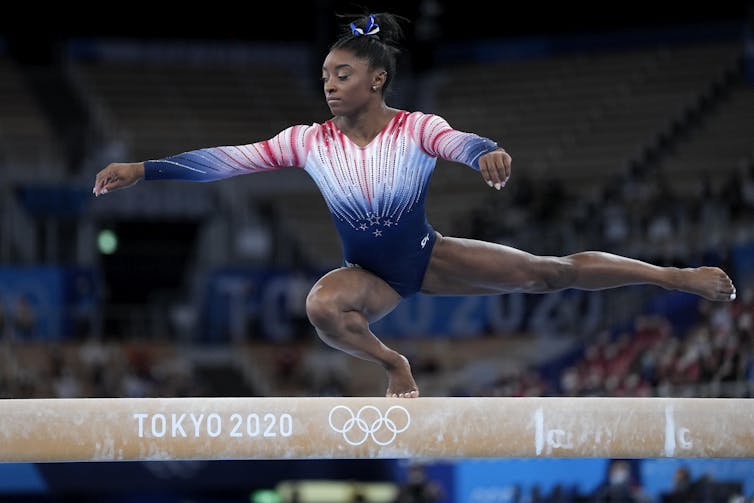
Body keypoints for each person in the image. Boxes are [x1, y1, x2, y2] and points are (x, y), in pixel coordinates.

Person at [92, 11, 737, 398]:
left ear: (375, 80)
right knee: (322, 305)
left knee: (551, 272)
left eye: (340, 76)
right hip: (371, 278)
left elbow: (456, 140)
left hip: (426, 258)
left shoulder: (414, 128)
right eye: (323, 78)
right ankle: (394, 364)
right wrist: (144, 169)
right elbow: (225, 160)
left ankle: (673, 275)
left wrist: (485, 150)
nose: (329, 87)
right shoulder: (307, 142)